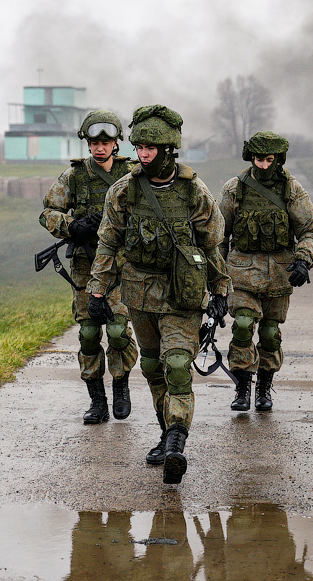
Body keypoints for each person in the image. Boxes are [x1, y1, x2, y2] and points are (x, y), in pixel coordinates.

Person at [87, 105, 231, 484]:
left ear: (168, 149)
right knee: (152, 368)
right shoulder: (125, 190)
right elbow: (107, 243)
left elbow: (213, 244)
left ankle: (176, 443)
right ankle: (165, 433)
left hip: (182, 295)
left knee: (178, 366)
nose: (143, 153)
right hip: (138, 294)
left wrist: (220, 289)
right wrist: (98, 291)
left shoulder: (193, 192)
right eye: (139, 147)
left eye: (151, 147)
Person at [39, 110, 139, 424]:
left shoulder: (133, 174)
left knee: (118, 330)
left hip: (123, 267)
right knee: (88, 333)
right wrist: (73, 226)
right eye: (94, 142)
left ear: (115, 143)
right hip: (85, 265)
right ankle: (97, 401)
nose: (99, 147)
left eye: (105, 141)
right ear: (87, 143)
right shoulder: (75, 176)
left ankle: (121, 387)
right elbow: (48, 212)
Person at [217, 131, 313, 412]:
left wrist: (303, 260)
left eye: (269, 160)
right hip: (241, 272)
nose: (263, 165)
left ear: (279, 159)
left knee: (271, 333)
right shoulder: (234, 189)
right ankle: (242, 386)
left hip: (278, 273)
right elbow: (217, 236)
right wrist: (216, 279)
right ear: (250, 157)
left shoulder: (292, 190)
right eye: (258, 159)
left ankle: (264, 386)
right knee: (242, 326)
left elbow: (309, 229)